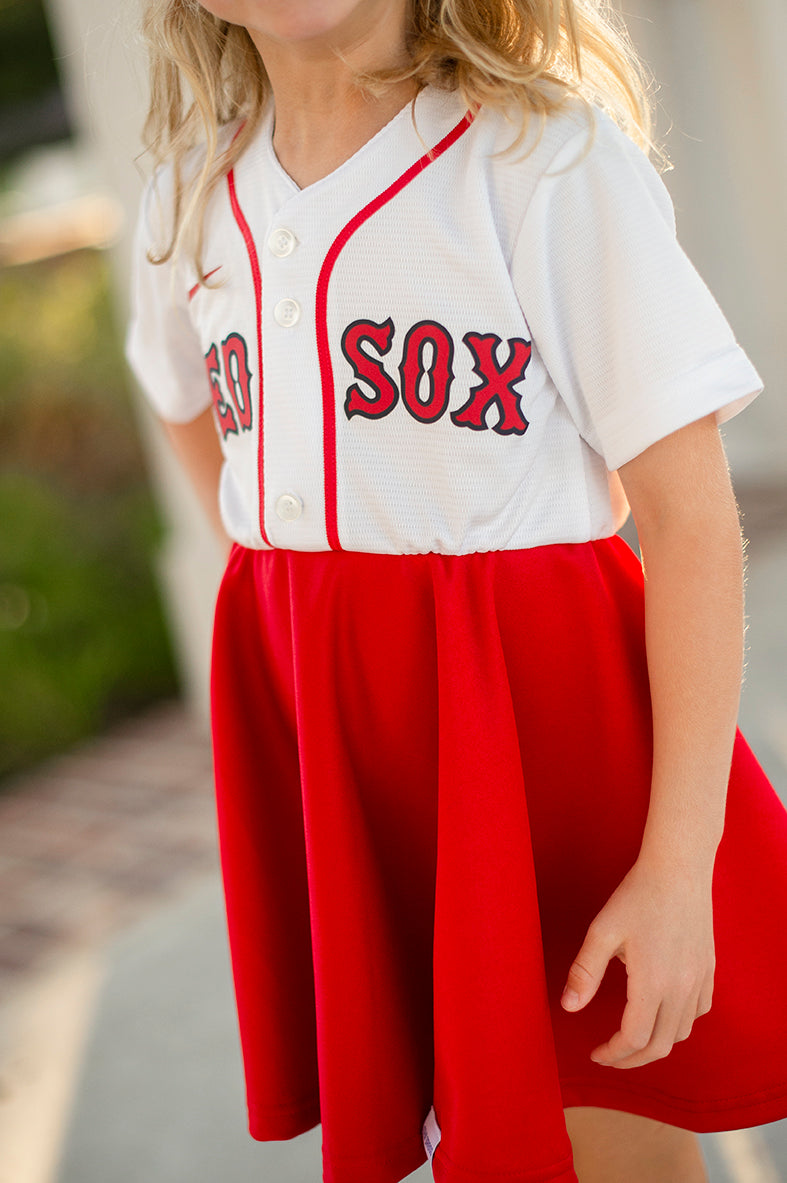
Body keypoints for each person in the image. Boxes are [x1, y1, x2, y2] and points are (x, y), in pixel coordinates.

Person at [125, 2, 787, 1181]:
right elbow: (183, 395)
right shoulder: (189, 189)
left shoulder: (537, 154)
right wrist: (281, 575)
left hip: (534, 730)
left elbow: (689, 521)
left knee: (603, 1114)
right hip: (341, 736)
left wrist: (679, 863)